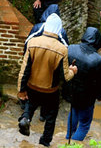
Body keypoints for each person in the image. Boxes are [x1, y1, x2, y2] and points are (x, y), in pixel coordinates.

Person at [17, 13, 77, 147]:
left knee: (30, 105)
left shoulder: (32, 42)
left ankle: (25, 119)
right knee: (51, 116)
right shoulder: (62, 49)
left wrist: (21, 90)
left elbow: (24, 70)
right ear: (58, 29)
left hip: (32, 86)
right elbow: (65, 76)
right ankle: (45, 141)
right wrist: (73, 71)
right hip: (51, 90)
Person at [62, 27, 101, 142]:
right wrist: (100, 95)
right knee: (84, 124)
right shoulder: (99, 60)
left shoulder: (70, 49)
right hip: (87, 97)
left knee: (73, 112)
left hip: (71, 91)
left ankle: (68, 137)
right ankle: (75, 144)